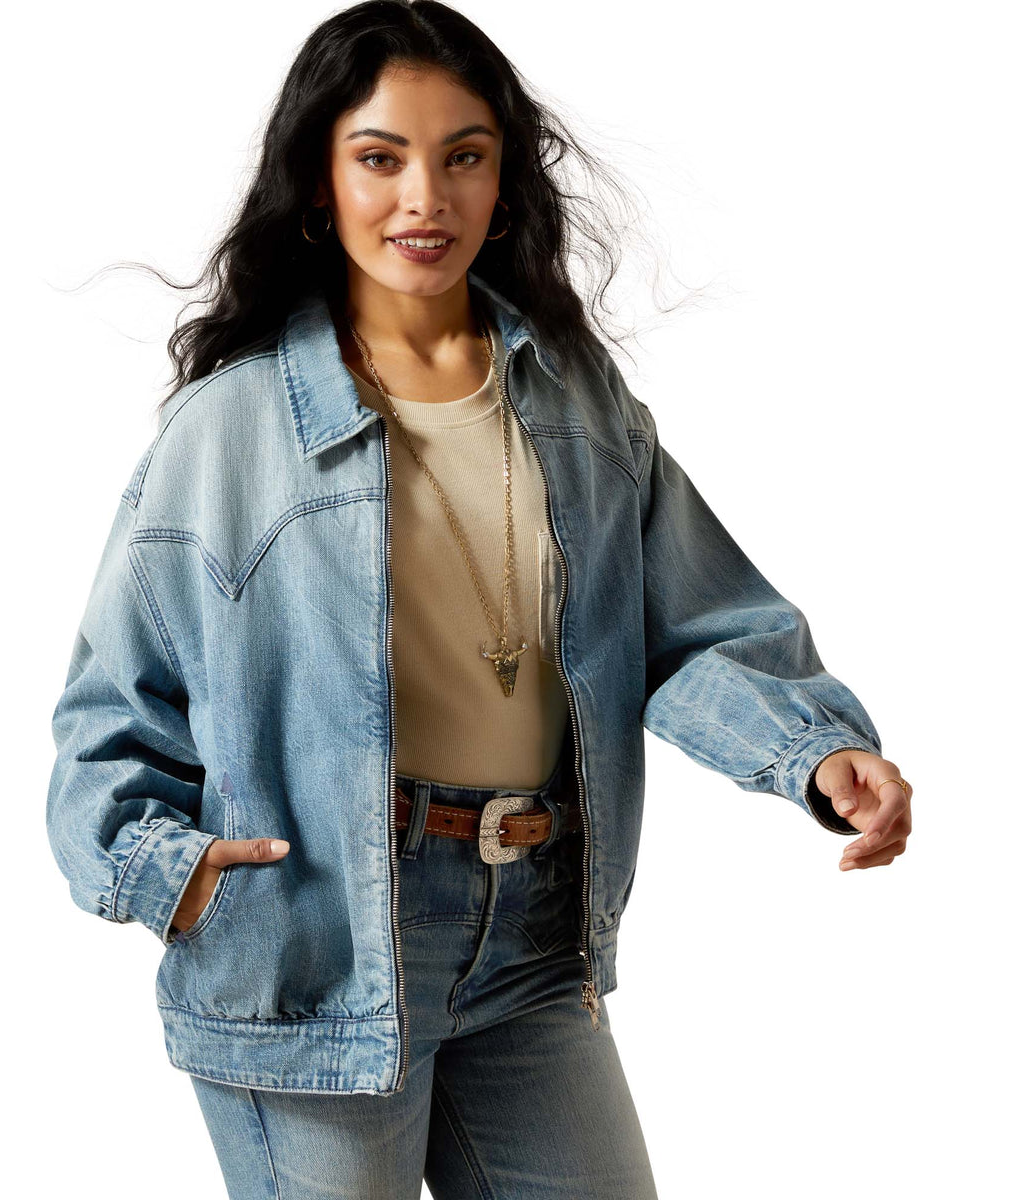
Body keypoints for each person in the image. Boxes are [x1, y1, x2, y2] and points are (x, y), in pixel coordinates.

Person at [45, 2, 913, 1196]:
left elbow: (688, 623)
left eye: (464, 156)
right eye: (380, 158)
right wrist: (162, 867)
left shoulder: (577, 404)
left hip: (534, 933)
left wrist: (814, 754)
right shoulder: (229, 430)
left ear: (504, 184)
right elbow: (109, 720)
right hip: (313, 942)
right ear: (318, 183)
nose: (425, 198)